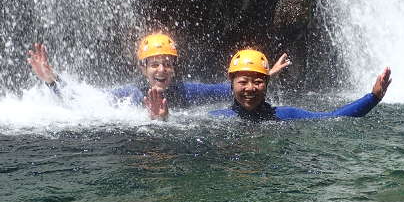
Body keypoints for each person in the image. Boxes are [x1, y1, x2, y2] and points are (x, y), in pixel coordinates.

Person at [27, 34, 291, 120]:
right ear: (143, 69)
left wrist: (264, 74)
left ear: (174, 68)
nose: (161, 70)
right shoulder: (129, 95)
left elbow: (233, 89)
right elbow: (84, 102)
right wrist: (52, 80)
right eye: (154, 64)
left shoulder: (188, 91)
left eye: (167, 64)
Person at [209, 49, 392, 121]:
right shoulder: (215, 118)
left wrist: (373, 97)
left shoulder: (285, 115)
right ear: (231, 83)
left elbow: (331, 118)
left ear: (267, 83)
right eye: (243, 82)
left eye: (258, 82)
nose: (250, 88)